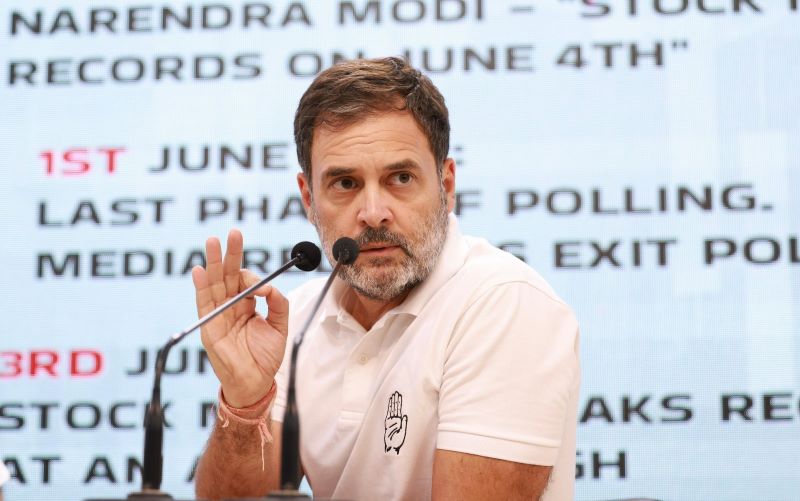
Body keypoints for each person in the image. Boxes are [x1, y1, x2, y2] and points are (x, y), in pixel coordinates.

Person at [193, 57, 580, 500]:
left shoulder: (503, 303)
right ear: (308, 199)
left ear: (446, 185)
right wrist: (245, 403)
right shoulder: (295, 322)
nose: (373, 213)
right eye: (345, 183)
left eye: (400, 178)